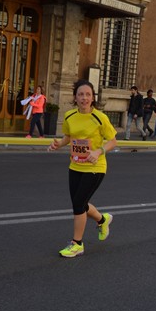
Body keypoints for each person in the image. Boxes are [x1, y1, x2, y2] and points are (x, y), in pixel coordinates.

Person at [48, 79, 117, 257]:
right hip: (75, 165)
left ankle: (77, 243)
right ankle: (102, 220)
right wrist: (58, 144)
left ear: (93, 98)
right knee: (80, 203)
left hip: (95, 167)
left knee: (78, 204)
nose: (84, 98)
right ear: (75, 98)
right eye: (81, 94)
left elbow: (113, 141)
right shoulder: (70, 116)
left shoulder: (100, 118)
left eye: (88, 94)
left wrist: (99, 151)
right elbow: (69, 137)